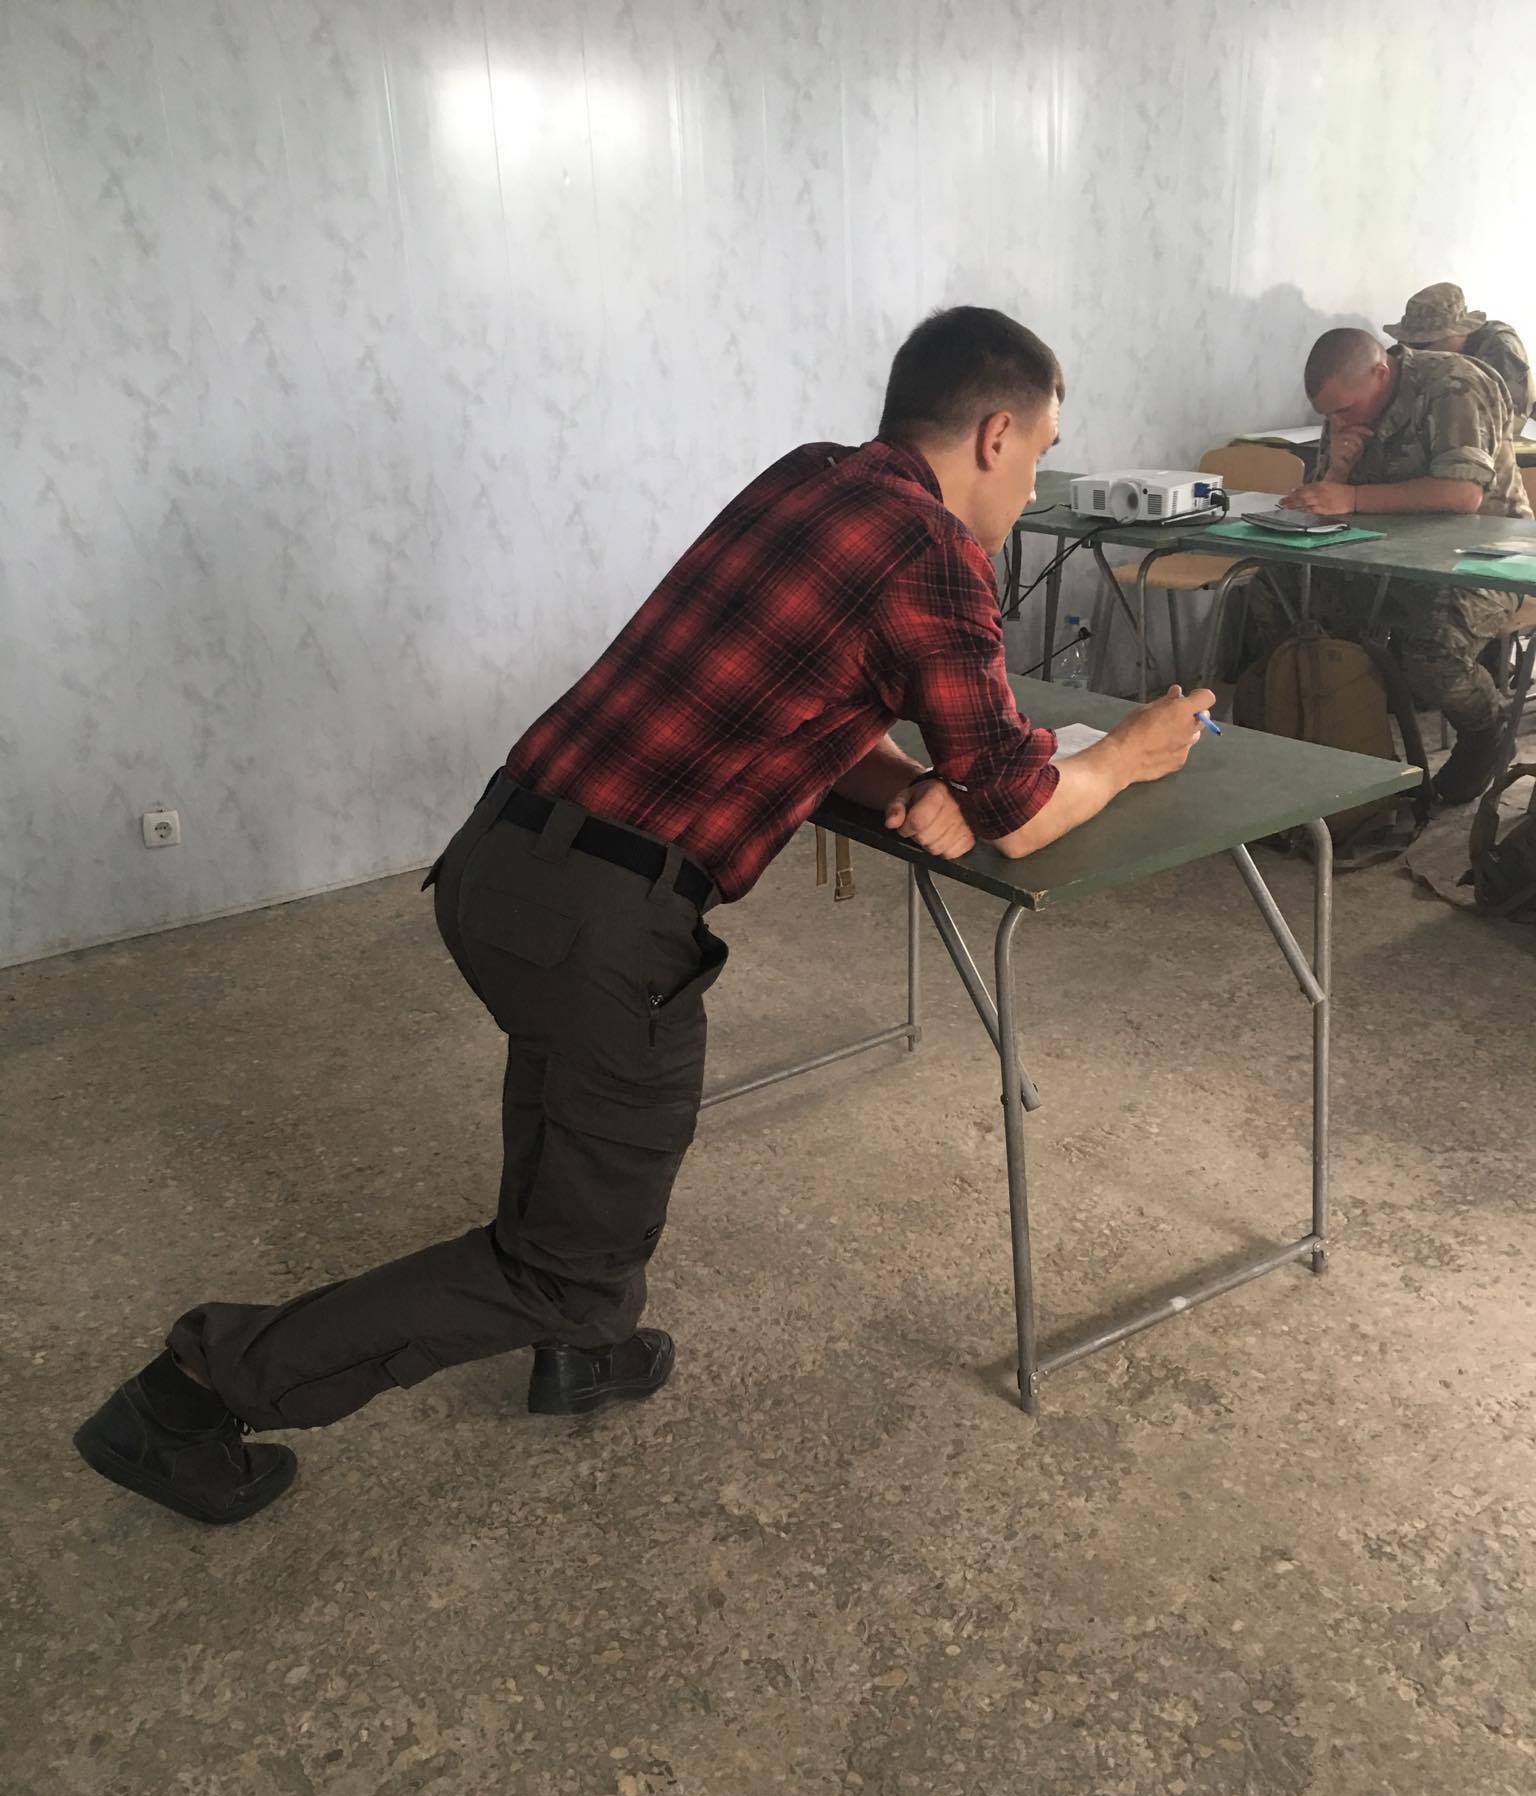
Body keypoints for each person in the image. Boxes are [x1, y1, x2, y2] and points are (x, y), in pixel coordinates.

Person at [72, 306, 1214, 1526]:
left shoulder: (811, 479)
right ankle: (197, 1389)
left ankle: (588, 1350)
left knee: (576, 1103)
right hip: (601, 919)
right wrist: (1132, 753)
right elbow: (1024, 811)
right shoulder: (932, 550)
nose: (1036, 481)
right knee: (564, 1256)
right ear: (995, 434)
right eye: (1042, 450)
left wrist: (914, 784)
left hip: (505, 863)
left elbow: (793, 706)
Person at [1274, 327, 1530, 806]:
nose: (1336, 421)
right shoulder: (1349, 406)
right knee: (1297, 610)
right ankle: (1351, 752)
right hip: (1392, 554)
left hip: (1489, 556)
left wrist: (1353, 496)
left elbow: (1463, 495)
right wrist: (1338, 472)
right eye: (1327, 414)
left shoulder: (1453, 386)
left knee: (1430, 647)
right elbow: (1326, 496)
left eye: (1343, 410)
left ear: (1380, 372)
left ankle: (1488, 731)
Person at [1385, 283, 1532, 432]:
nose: (1415, 351)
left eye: (1423, 343)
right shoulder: (1413, 348)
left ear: (1457, 332)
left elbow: (1507, 418)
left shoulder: (1499, 348)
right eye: (1411, 342)